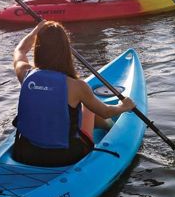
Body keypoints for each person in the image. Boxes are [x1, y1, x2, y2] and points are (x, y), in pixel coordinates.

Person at [12, 21, 135, 167]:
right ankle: (108, 126)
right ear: (66, 50)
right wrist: (124, 106)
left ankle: (104, 125)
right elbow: (106, 111)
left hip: (25, 153)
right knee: (89, 107)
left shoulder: (25, 74)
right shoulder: (77, 86)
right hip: (66, 157)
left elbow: (19, 51)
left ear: (38, 48)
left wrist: (36, 31)